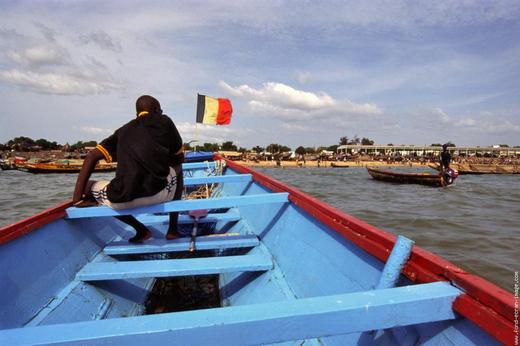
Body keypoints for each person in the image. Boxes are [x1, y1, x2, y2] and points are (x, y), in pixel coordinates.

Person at [72, 95, 184, 242]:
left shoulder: (123, 130)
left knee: (89, 186)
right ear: (156, 110)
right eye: (160, 111)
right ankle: (173, 229)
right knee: (178, 168)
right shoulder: (165, 121)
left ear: (137, 113)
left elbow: (91, 157)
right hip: (159, 194)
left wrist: (77, 200)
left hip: (120, 200)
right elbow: (177, 159)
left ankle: (140, 229)